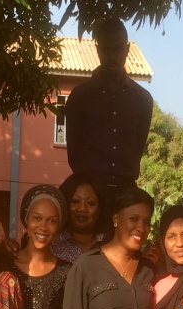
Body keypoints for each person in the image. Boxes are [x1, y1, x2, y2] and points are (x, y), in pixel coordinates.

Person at [64, 18, 154, 194]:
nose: (112, 56)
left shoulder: (143, 100)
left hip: (126, 193)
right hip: (89, 193)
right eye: (106, 49)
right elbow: (73, 152)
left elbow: (138, 148)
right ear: (97, 49)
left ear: (127, 49)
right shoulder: (79, 97)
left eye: (117, 49)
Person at [11, 185, 71, 309]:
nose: (43, 227)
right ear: (27, 219)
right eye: (37, 218)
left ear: (58, 226)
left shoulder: (67, 273)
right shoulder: (6, 264)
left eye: (51, 221)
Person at [51, 174, 107, 262]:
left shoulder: (109, 242)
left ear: (99, 209)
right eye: (75, 201)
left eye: (90, 203)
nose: (82, 209)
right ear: (65, 204)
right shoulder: (52, 243)